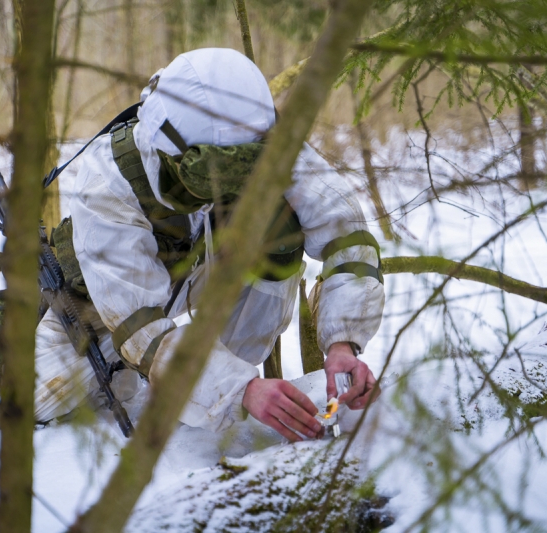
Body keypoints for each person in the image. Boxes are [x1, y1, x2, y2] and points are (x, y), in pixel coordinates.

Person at [33, 48, 385, 442]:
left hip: (202, 267)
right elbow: (140, 328)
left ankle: (226, 379)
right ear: (171, 154)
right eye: (217, 172)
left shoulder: (253, 133)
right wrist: (235, 389)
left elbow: (345, 232)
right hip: (105, 304)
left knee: (278, 229)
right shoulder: (107, 185)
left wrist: (342, 343)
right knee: (51, 401)